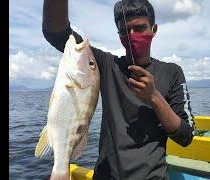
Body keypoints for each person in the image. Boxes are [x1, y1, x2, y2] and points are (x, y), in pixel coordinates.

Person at [42, 0, 196, 179]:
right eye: (124, 31)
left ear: (154, 30)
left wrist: (154, 96)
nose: (131, 35)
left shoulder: (172, 72)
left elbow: (186, 136)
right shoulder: (106, 65)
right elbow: (56, 32)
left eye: (139, 28)